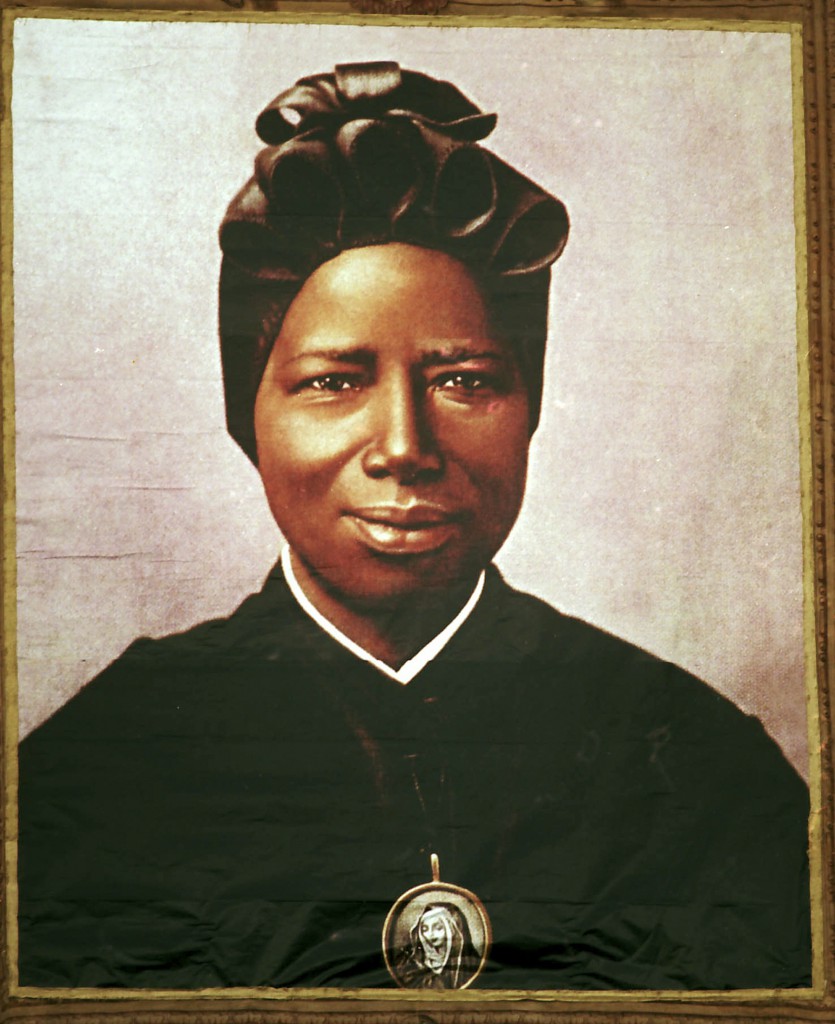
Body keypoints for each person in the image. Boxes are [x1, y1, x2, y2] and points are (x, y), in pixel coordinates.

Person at [17, 62, 811, 992]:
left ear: (530, 407)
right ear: (250, 418)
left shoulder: (697, 767)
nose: (404, 446)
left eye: (464, 380)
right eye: (333, 382)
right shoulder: (91, 779)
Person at [395, 904, 481, 990]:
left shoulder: (471, 964)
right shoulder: (408, 965)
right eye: (425, 929)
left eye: (438, 928)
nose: (430, 935)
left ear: (452, 931)